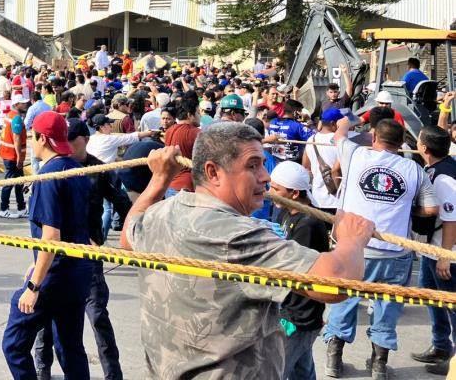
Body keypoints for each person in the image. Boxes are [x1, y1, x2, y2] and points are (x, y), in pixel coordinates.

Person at [121, 122, 376, 379]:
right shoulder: (236, 234)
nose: (265, 176)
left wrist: (160, 178)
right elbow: (334, 281)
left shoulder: (163, 212)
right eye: (252, 165)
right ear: (213, 172)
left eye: (263, 164)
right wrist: (352, 239)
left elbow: (128, 236)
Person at [323, 116, 438, 379]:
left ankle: (333, 362)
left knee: (345, 300)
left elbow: (340, 131)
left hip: (355, 248)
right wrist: (405, 209)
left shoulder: (355, 154)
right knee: (387, 306)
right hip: (395, 252)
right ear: (401, 143)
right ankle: (378, 367)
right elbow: (431, 209)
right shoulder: (414, 169)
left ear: (374, 138)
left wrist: (352, 121)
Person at [34, 118, 131, 380]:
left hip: (88, 258)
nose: (65, 145)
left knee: (98, 316)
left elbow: (123, 203)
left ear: (84, 141)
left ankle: (113, 374)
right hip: (55, 258)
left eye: (71, 140)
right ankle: (42, 369)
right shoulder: (55, 168)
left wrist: (127, 238)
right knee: (44, 320)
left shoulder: (98, 170)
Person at [1, 112, 93, 380]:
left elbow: (51, 236)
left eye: (32, 136)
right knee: (69, 346)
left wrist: (33, 286)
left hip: (57, 275)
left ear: (41, 138)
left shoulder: (48, 175)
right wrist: (37, 260)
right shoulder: (76, 168)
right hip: (78, 270)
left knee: (14, 344)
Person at [270, 161, 330, 380]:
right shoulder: (285, 213)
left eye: (276, 189)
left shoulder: (308, 223)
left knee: (278, 369)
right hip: (290, 308)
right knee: (302, 369)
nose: (270, 193)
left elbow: (299, 271)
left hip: (299, 315)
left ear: (294, 193)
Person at [411, 125, 456, 375]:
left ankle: (455, 360)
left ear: (424, 147)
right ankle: (440, 346)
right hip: (432, 250)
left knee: (451, 305)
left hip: (444, 253)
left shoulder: (445, 178)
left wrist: (444, 257)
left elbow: (452, 219)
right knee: (433, 300)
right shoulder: (435, 169)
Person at [302, 108, 344, 216]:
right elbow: (337, 169)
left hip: (316, 198)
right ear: (333, 123)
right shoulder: (340, 141)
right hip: (336, 199)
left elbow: (305, 167)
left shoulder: (311, 139)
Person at [0, 95, 30, 219]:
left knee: (19, 182)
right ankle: (3, 209)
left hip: (9, 154)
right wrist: (19, 157)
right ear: (17, 105)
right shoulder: (16, 118)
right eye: (23, 103)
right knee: (10, 182)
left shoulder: (10, 115)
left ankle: (21, 208)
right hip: (12, 156)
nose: (26, 105)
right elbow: (16, 138)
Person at [163, 99, 199, 195]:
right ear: (189, 115)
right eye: (198, 113)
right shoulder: (195, 132)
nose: (200, 116)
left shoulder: (169, 130)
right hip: (187, 186)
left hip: (170, 183)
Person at [86, 113, 154, 164]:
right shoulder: (108, 139)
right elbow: (132, 137)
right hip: (106, 173)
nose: (111, 127)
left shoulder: (91, 138)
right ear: (102, 127)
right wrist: (150, 133)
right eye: (109, 124)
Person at [25, 91, 52, 174]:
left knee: (35, 158)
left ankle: (36, 179)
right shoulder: (48, 106)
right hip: (48, 134)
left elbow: (26, 123)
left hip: (37, 134)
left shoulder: (32, 108)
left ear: (32, 100)